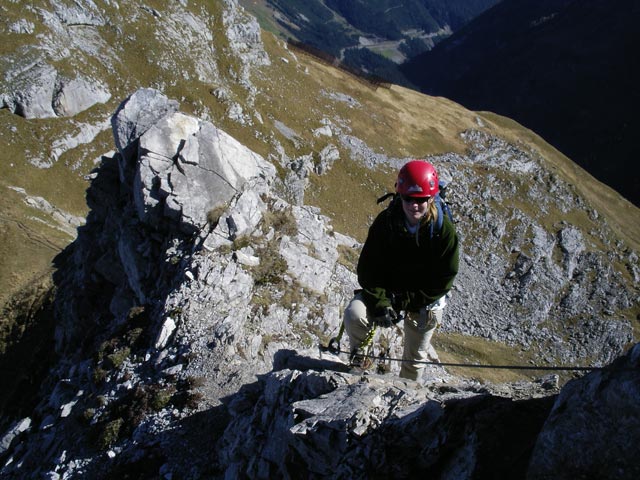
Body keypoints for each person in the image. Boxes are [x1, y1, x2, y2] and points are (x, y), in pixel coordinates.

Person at [343, 159, 460, 381]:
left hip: (425, 299)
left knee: (415, 359)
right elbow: (368, 269)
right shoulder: (386, 222)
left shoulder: (443, 230)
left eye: (421, 200)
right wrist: (380, 303)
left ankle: (407, 392)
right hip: (390, 290)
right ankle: (360, 358)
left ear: (431, 198)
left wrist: (403, 302)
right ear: (399, 196)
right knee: (354, 314)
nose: (414, 205)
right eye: (408, 199)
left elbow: (444, 279)